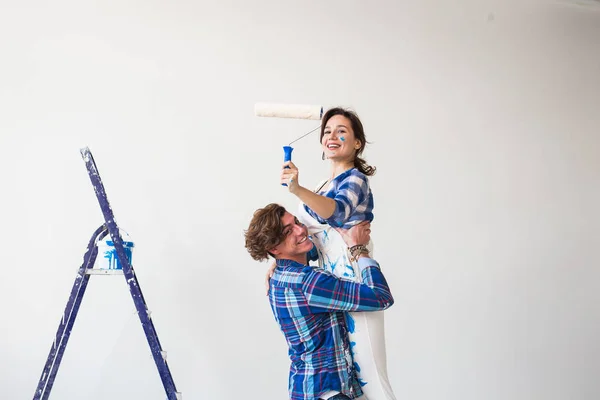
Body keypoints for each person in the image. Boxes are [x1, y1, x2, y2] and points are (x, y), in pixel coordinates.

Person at [277, 107, 396, 399]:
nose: (333, 136)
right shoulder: (322, 185)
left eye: (341, 131)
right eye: (327, 131)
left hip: (356, 277)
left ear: (357, 143)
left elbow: (338, 212)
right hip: (329, 284)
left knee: (372, 378)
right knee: (350, 376)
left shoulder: (354, 180)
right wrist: (277, 261)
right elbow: (307, 237)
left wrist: (297, 190)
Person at [245, 203, 394, 400]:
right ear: (274, 247)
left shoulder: (278, 277)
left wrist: (275, 260)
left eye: (297, 222)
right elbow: (380, 296)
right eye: (289, 231)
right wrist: (359, 249)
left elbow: (314, 249)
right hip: (328, 392)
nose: (301, 230)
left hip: (308, 389)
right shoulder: (310, 282)